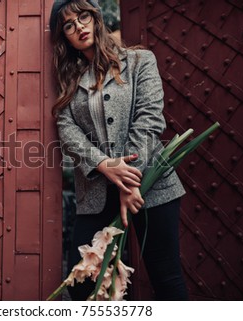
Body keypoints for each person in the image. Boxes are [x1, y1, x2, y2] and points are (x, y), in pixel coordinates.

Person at [49, 0, 189, 300]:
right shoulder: (69, 80)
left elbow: (150, 119)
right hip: (97, 191)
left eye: (82, 17)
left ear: (96, 18)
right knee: (84, 281)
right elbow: (67, 129)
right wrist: (103, 164)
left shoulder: (140, 61)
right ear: (65, 38)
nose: (79, 27)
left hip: (151, 187)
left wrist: (129, 178)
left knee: (166, 277)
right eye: (69, 26)